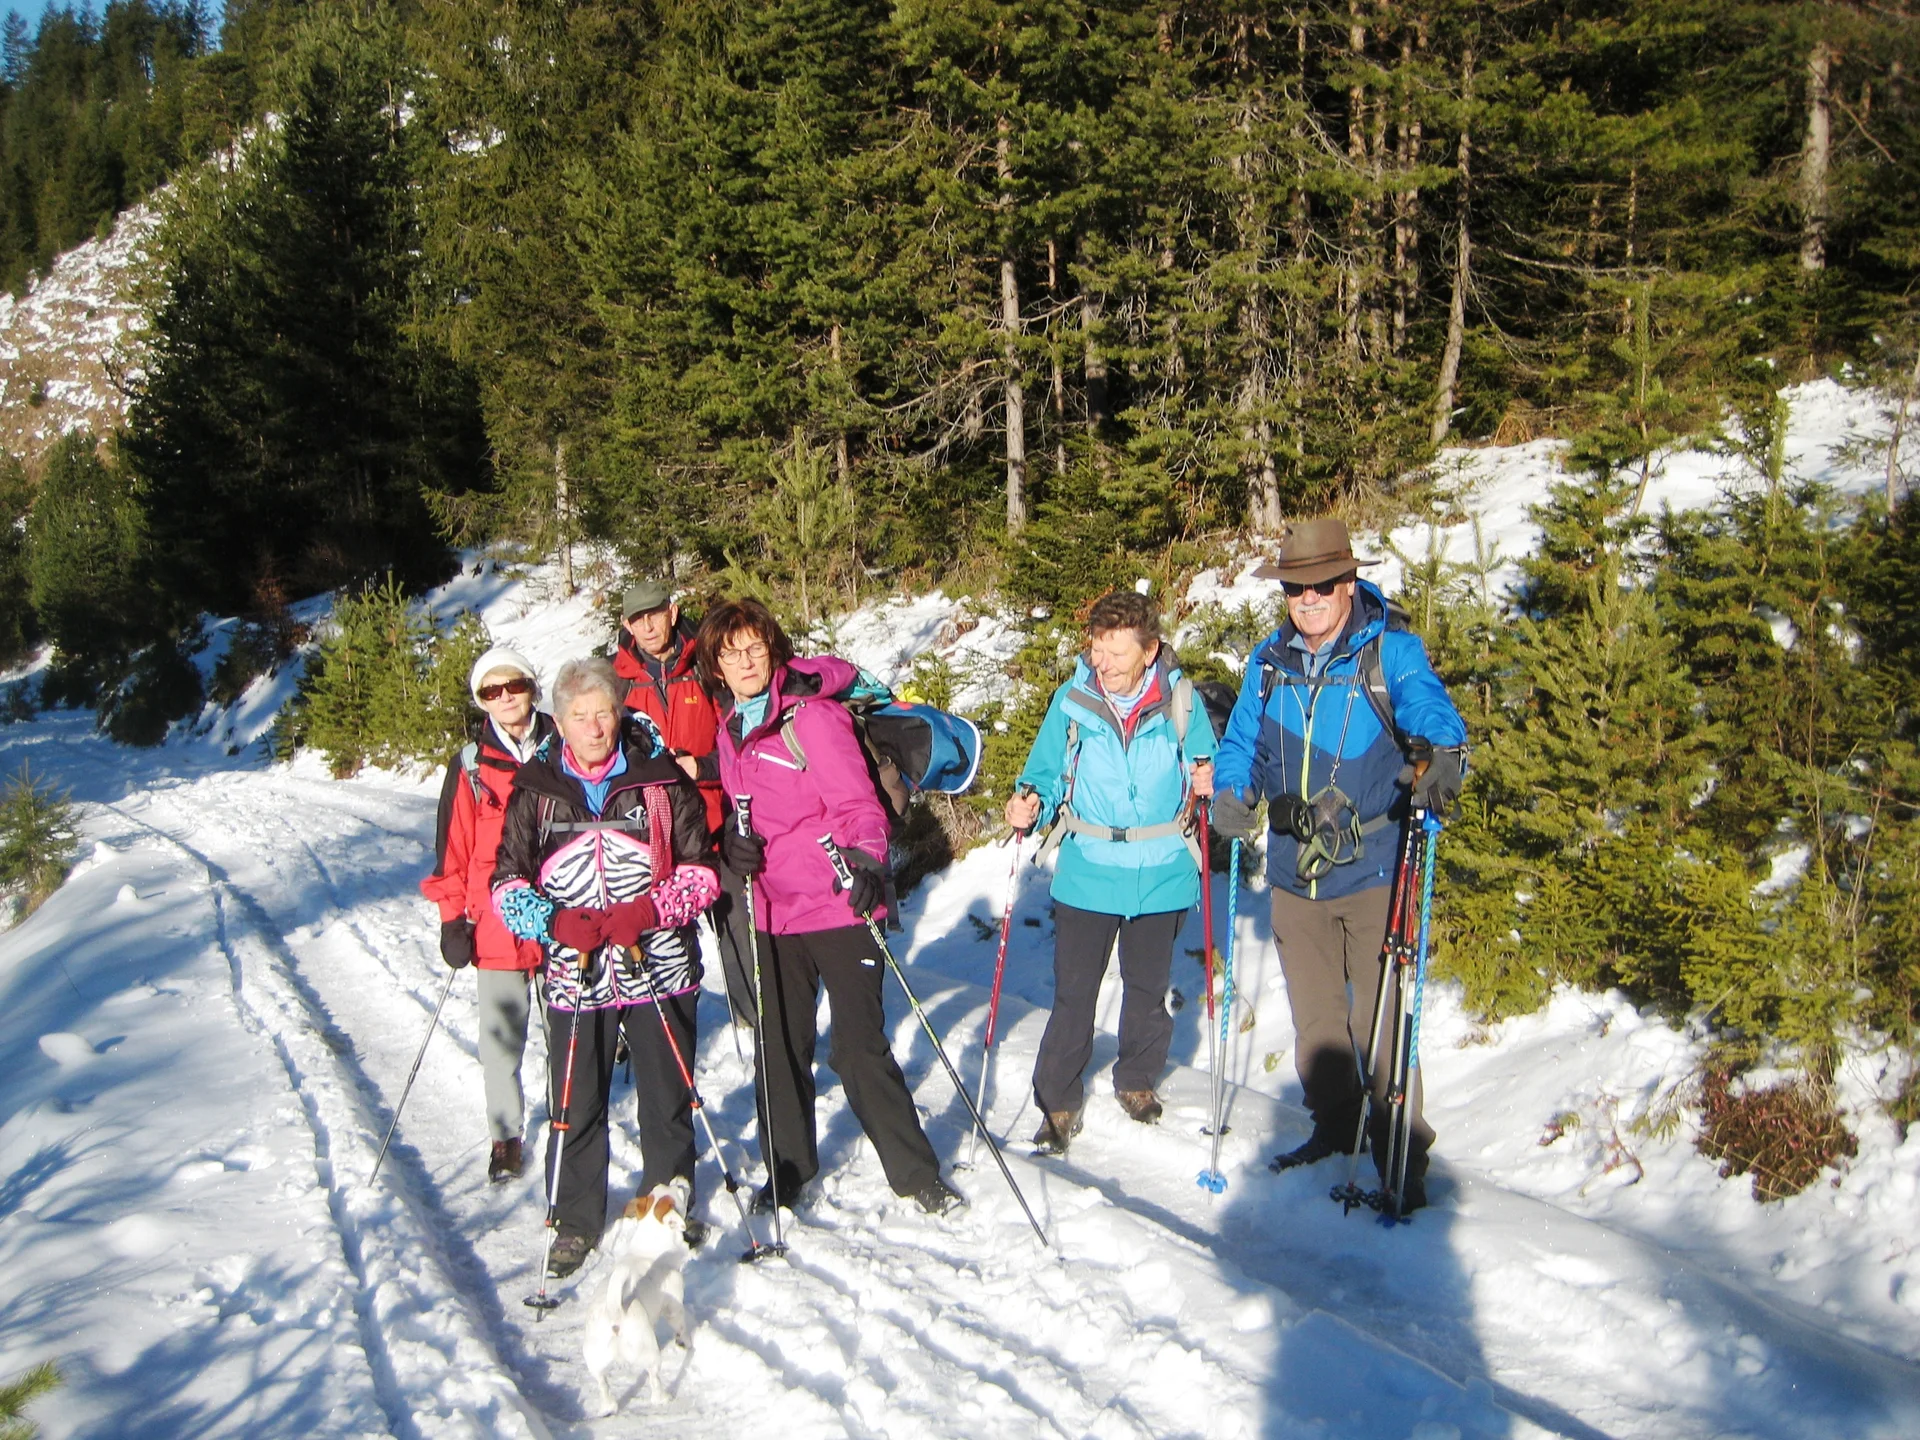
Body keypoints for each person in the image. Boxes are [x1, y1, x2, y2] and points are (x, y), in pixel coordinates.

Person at [1209, 519, 1466, 1211]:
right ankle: (1335, 1123)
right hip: (1295, 870)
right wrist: (1235, 795)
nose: (1310, 597)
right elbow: (1242, 745)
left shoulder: (1391, 654)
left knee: (1383, 1022)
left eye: (1323, 584)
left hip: (1375, 865)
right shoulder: (1268, 663)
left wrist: (1440, 754)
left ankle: (1400, 1156)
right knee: (1318, 1017)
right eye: (1297, 586)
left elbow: (1431, 710)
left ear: (1349, 585)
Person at [697, 598, 963, 1217]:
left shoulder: (810, 719)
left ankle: (917, 1174)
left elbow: (858, 806)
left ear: (774, 649)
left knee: (856, 1046)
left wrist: (870, 864)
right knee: (779, 1044)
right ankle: (788, 1172)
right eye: (730, 653)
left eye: (754, 648)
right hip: (770, 907)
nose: (743, 662)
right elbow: (744, 816)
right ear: (715, 664)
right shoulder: (728, 730)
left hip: (840, 901)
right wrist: (732, 849)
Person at [491, 656, 720, 1277]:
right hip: (575, 971)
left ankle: (669, 1202)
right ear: (558, 722)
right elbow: (506, 883)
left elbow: (703, 872)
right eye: (579, 717)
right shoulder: (536, 791)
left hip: (659, 963)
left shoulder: (659, 778)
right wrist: (552, 922)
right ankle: (574, 1220)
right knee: (576, 1098)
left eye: (604, 713)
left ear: (619, 713)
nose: (594, 728)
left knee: (666, 1095)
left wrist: (650, 909)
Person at [1004, 589, 1218, 1156]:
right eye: (1098, 650)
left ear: (1149, 652)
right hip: (1089, 868)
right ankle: (1057, 1099)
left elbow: (1210, 765)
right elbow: (1045, 774)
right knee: (1075, 993)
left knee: (1148, 989)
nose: (1105, 664)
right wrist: (1028, 801)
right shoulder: (1073, 700)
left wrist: (1211, 783)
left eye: (1118, 653)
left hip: (1162, 870)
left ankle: (1137, 1078)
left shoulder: (1182, 701)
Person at [420, 647, 557, 1184]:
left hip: (559, 911)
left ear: (532, 686)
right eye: (490, 691)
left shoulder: (565, 742)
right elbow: (450, 849)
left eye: (513, 686)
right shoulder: (471, 764)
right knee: (501, 1038)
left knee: (567, 1030)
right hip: (496, 920)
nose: (505, 698)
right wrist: (452, 918)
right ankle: (506, 1135)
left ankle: (571, 1119)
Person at [611, 580, 757, 1029]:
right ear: (626, 625)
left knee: (735, 929)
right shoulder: (615, 683)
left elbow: (739, 737)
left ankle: (755, 1023)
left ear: (673, 612)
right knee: (662, 936)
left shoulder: (706, 664)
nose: (649, 625)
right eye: (638, 619)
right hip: (651, 835)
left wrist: (702, 767)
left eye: (655, 613)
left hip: (714, 823)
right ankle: (655, 1026)